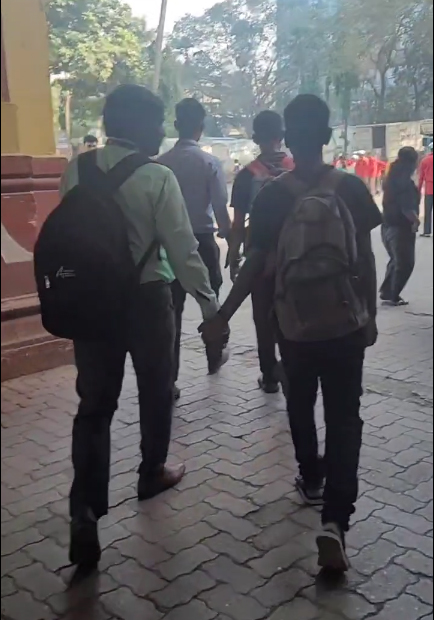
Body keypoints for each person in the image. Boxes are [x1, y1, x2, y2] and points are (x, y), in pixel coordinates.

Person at [201, 95, 382, 574]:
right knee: (345, 417)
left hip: (293, 323)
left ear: (288, 138)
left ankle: (311, 477)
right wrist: (369, 316)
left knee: (300, 402)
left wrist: (223, 315)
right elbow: (365, 258)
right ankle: (335, 522)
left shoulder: (273, 196)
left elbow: (256, 263)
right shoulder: (350, 188)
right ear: (325, 136)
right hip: (345, 321)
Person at [61, 85, 224, 573]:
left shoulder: (76, 170)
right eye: (156, 123)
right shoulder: (157, 176)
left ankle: (85, 510)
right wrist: (209, 305)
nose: (162, 132)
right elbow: (182, 249)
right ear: (136, 125)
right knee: (156, 390)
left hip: (91, 302)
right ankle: (151, 471)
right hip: (148, 299)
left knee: (94, 405)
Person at [159, 99, 231, 396]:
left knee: (171, 312)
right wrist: (230, 239)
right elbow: (221, 209)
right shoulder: (209, 163)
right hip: (202, 241)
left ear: (176, 125)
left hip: (168, 244)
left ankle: (171, 379)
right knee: (209, 304)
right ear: (201, 128)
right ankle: (214, 356)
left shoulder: (160, 164)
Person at [228, 110, 294, 393]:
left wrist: (233, 254)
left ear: (255, 138)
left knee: (262, 317)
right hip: (296, 256)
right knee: (291, 313)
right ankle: (292, 368)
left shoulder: (247, 175)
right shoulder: (298, 169)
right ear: (283, 136)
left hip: (259, 259)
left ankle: (269, 376)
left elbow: (238, 223)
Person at [380, 147, 421, 306]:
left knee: (396, 260)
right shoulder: (405, 183)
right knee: (405, 263)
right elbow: (406, 208)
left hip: (387, 225)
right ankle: (393, 295)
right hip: (400, 227)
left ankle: (388, 291)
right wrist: (416, 221)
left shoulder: (390, 178)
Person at [419, 144, 433, 237]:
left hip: (429, 189)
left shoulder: (425, 160)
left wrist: (418, 189)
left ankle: (427, 231)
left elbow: (421, 177)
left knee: (427, 211)